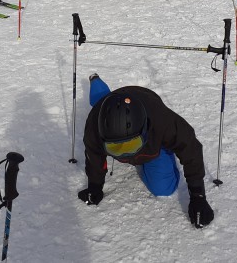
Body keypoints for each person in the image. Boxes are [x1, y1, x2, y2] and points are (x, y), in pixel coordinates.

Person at [78, 74, 214, 229]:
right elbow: (94, 157)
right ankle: (98, 84)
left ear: (145, 130)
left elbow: (191, 148)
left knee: (164, 188)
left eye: (132, 146)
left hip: (146, 99)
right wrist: (94, 186)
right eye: (115, 148)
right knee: (101, 101)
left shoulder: (162, 121)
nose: (124, 154)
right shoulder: (94, 129)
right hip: (106, 105)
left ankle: (106, 95)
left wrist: (198, 196)